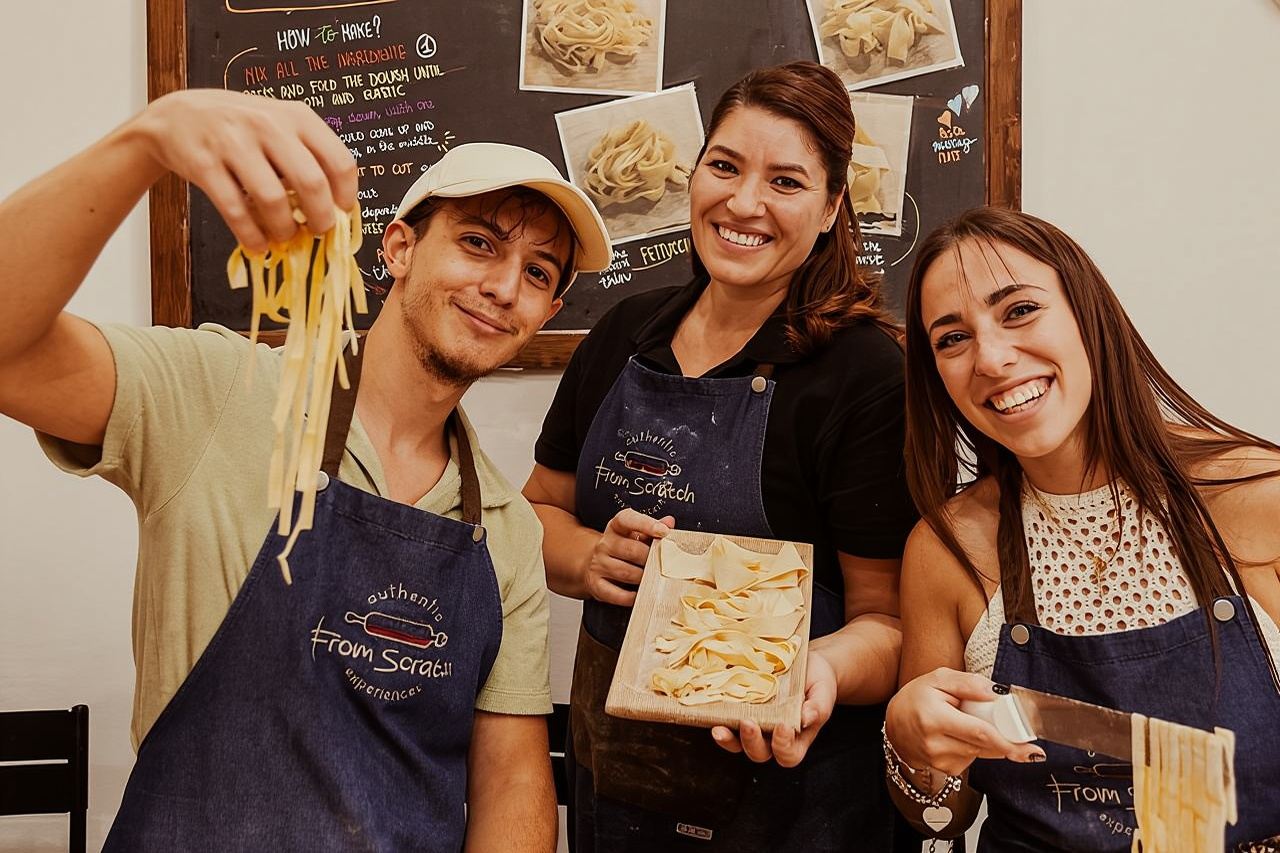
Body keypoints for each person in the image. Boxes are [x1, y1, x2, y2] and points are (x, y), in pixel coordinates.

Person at [0, 88, 612, 851]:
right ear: (399, 247)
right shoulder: (219, 393)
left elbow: (513, 780)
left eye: (539, 272)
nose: (504, 287)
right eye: (479, 243)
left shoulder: (506, 531)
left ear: (547, 312)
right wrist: (146, 140)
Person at [523, 61, 919, 852]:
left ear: (831, 206)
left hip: (795, 799)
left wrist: (814, 671)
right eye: (725, 166)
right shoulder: (623, 334)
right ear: (695, 172)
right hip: (618, 780)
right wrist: (591, 558)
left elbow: (889, 622)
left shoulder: (866, 374)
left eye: (786, 181)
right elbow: (538, 511)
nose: (743, 203)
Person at [883, 206, 1280, 850]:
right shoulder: (947, 548)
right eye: (952, 339)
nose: (992, 359)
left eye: (1019, 310)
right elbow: (942, 817)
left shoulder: (1258, 498)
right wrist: (910, 744)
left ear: (1088, 314)